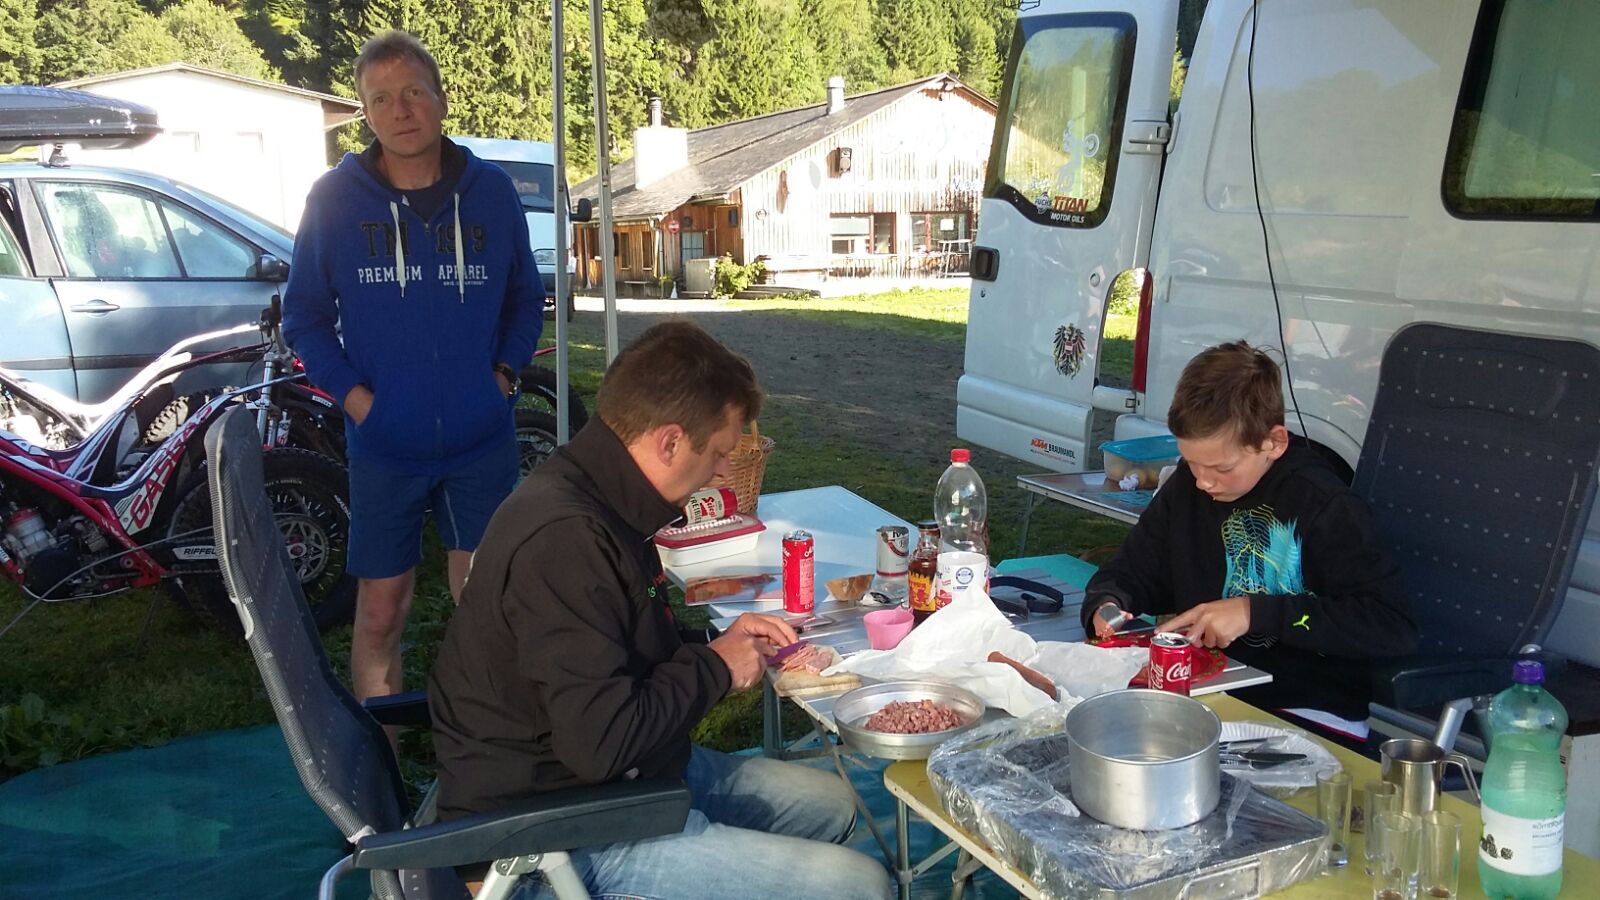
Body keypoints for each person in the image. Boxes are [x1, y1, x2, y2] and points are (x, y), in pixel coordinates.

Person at [428, 320, 893, 900]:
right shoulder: (565, 539)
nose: (722, 471)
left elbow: (615, 651)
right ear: (670, 442)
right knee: (859, 885)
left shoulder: (601, 496)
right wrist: (715, 667)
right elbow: (600, 743)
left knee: (833, 805)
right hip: (551, 829)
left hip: (620, 775)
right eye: (718, 453)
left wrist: (714, 646)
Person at [283, 30, 544, 702]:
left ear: (441, 99)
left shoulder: (492, 192)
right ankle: (383, 759)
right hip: (385, 444)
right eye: (381, 99)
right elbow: (304, 318)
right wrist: (360, 403)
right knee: (380, 611)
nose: (400, 110)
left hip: (480, 437)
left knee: (490, 606)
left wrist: (503, 379)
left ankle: (499, 747)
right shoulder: (334, 200)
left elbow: (525, 299)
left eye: (413, 93)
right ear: (366, 115)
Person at [1082, 341, 1418, 734]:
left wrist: (1254, 613)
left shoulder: (1322, 504)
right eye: (1191, 463)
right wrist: (1107, 603)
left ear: (1273, 443)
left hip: (1308, 707)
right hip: (1208, 693)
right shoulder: (1188, 487)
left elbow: (1389, 625)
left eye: (1222, 468)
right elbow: (1134, 569)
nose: (1204, 482)